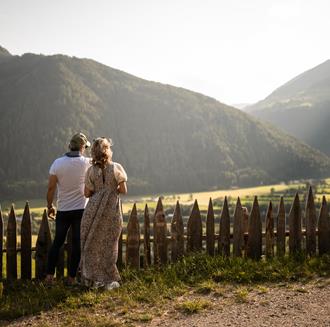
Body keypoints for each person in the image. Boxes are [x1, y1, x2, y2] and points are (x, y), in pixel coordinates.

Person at [80, 137, 127, 290]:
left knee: (91, 244)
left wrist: (99, 191)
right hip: (111, 210)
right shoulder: (116, 167)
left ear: (93, 153)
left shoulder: (91, 171)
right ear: (108, 151)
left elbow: (87, 193)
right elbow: (123, 190)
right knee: (110, 244)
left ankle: (92, 279)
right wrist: (112, 190)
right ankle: (109, 279)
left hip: (93, 210)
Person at [46, 132, 91, 284]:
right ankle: (71, 278)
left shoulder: (57, 163)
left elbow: (51, 188)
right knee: (77, 244)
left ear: (70, 146)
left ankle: (49, 276)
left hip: (63, 210)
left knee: (57, 242)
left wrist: (50, 206)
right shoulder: (87, 163)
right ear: (82, 147)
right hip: (81, 209)